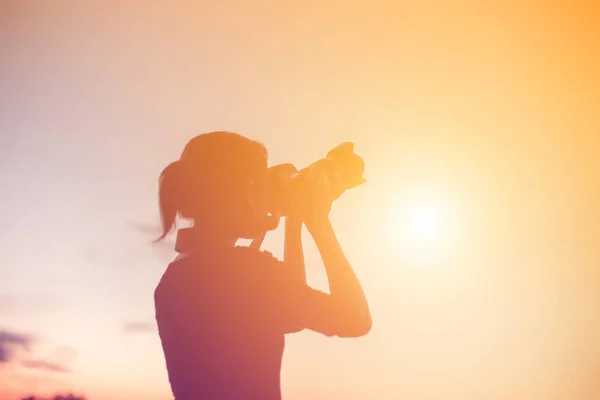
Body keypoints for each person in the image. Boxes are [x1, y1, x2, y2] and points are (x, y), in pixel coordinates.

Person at [154, 131, 372, 399]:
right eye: (262, 183)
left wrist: (293, 218)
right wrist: (317, 221)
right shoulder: (246, 272)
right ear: (247, 189)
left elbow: (288, 314)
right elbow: (355, 319)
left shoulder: (176, 277)